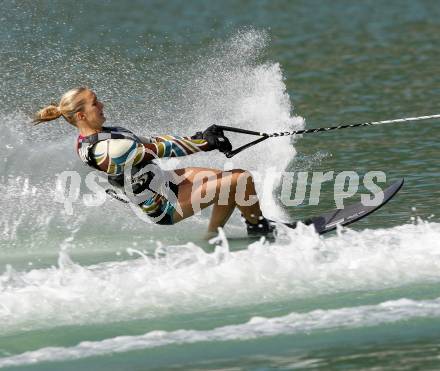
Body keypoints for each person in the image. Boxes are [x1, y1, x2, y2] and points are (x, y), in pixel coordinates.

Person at [33, 87, 274, 237]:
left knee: (229, 180)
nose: (102, 104)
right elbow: (161, 149)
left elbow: (155, 140)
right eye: (95, 102)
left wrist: (197, 137)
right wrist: (207, 144)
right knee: (240, 180)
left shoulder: (106, 133)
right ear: (81, 115)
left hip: (164, 182)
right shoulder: (109, 149)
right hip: (162, 206)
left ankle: (218, 234)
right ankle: (260, 232)